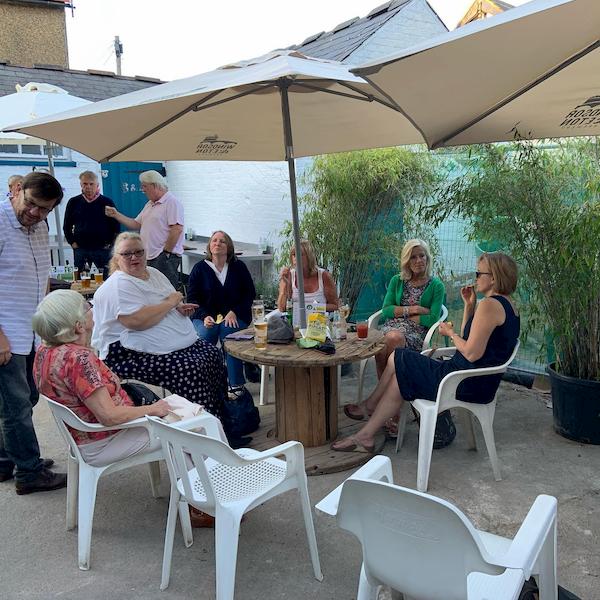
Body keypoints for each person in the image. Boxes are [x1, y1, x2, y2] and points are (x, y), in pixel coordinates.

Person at [332, 252, 520, 453]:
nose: (475, 277)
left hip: (462, 381)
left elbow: (471, 353)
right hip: (476, 380)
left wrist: (449, 333)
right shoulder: (508, 305)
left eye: (478, 273)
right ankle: (366, 432)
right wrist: (469, 306)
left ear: (493, 277)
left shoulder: (490, 305)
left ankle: (368, 412)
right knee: (400, 370)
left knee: (398, 360)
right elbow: (470, 341)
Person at [91, 232, 226, 421]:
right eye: (127, 254)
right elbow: (136, 321)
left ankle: (221, 421)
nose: (134, 257)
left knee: (212, 354)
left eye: (139, 252)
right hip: (128, 353)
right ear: (117, 258)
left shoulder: (153, 273)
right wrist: (171, 303)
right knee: (191, 369)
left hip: (169, 345)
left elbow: (167, 300)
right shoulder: (118, 285)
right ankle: (195, 429)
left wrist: (179, 308)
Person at [32, 290, 171, 466]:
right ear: (79, 326)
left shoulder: (44, 351)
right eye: (86, 306)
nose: (91, 308)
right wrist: (153, 409)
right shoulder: (79, 359)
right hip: (106, 440)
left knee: (186, 422)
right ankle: (202, 489)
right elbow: (109, 416)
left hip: (85, 438)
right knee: (193, 431)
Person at [0, 172, 67, 494]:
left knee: (25, 397)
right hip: (6, 334)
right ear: (17, 191)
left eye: (44, 209)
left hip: (30, 332)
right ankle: (28, 473)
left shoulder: (40, 228)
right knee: (17, 407)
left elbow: (42, 278)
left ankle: (5, 460)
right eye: (31, 204)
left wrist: (47, 325)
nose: (35, 213)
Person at [343, 239, 445, 423]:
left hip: (416, 335)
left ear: (427, 258)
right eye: (413, 257)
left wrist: (402, 313)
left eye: (422, 255)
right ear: (407, 260)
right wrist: (413, 310)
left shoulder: (436, 286)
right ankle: (390, 409)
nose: (418, 260)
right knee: (386, 342)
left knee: (393, 339)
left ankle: (380, 406)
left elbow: (432, 318)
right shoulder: (397, 281)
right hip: (391, 329)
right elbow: (387, 310)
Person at [187, 230, 255, 391]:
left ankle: (236, 384)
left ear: (229, 247)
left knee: (229, 333)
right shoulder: (199, 269)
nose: (217, 243)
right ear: (209, 246)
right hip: (205, 316)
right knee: (205, 334)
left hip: (235, 315)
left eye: (222, 241)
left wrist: (235, 311)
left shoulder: (238, 267)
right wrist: (204, 316)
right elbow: (192, 299)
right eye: (214, 241)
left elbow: (249, 293)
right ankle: (207, 382)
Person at [105, 170, 184, 288]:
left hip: (163, 257)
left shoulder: (171, 202)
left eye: (144, 186)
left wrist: (166, 253)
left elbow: (176, 229)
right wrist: (116, 215)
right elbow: (136, 224)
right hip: (149, 256)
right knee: (150, 290)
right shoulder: (150, 204)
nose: (142, 190)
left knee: (164, 291)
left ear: (155, 185)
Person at [63, 171, 120, 276]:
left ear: (97, 185)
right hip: (81, 249)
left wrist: (110, 244)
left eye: (91, 184)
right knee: (81, 280)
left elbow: (116, 226)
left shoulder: (107, 202)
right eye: (85, 184)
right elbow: (67, 225)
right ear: (81, 185)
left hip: (102, 250)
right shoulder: (74, 202)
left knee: (106, 279)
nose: (88, 187)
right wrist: (73, 243)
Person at [277, 239, 339, 326]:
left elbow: (335, 306)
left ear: (309, 257)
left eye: (300, 254)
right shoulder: (289, 275)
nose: (296, 258)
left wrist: (313, 308)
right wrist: (285, 285)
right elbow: (282, 308)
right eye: (294, 255)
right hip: (295, 328)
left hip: (318, 328)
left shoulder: (324, 276)